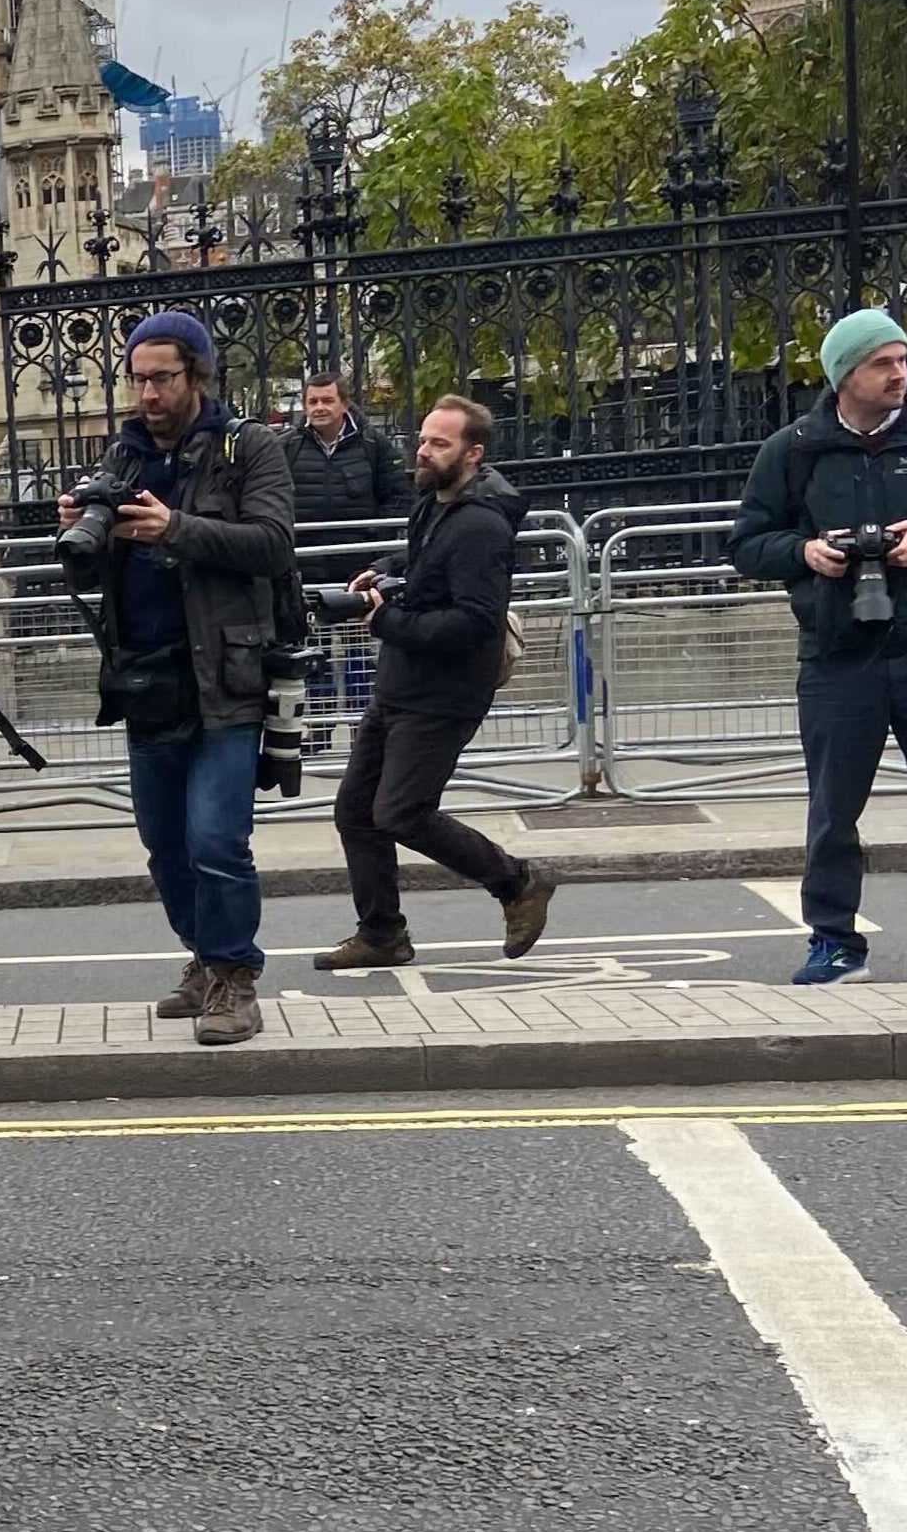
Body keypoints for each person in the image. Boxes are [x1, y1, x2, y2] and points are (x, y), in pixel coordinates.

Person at [729, 308, 907, 983]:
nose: (900, 373)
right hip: (837, 655)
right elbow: (746, 543)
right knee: (833, 811)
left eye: (902, 360)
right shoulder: (794, 449)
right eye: (882, 363)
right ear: (844, 376)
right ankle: (832, 942)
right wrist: (806, 551)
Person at [56, 311, 300, 1048]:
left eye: (162, 377)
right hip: (147, 685)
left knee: (216, 839)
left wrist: (177, 529)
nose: (148, 393)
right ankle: (203, 955)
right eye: (137, 379)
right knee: (164, 843)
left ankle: (236, 975)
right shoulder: (122, 460)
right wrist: (78, 526)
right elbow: (97, 569)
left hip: (225, 679)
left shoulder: (246, 446)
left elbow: (273, 544)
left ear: (197, 375)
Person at [312, 396, 555, 973]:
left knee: (401, 811)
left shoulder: (481, 525)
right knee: (354, 812)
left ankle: (516, 882)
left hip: (444, 695)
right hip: (400, 684)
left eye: (438, 443)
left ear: (473, 454)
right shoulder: (435, 504)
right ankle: (382, 934)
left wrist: (385, 620)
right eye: (422, 439)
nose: (423, 451)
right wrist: (389, 571)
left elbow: (475, 620)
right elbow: (428, 569)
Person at [280, 377, 402, 538]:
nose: (319, 408)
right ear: (305, 407)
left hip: (359, 553)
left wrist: (378, 544)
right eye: (313, 402)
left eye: (327, 401)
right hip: (303, 555)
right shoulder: (287, 446)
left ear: (345, 404)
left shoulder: (373, 443)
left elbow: (398, 496)